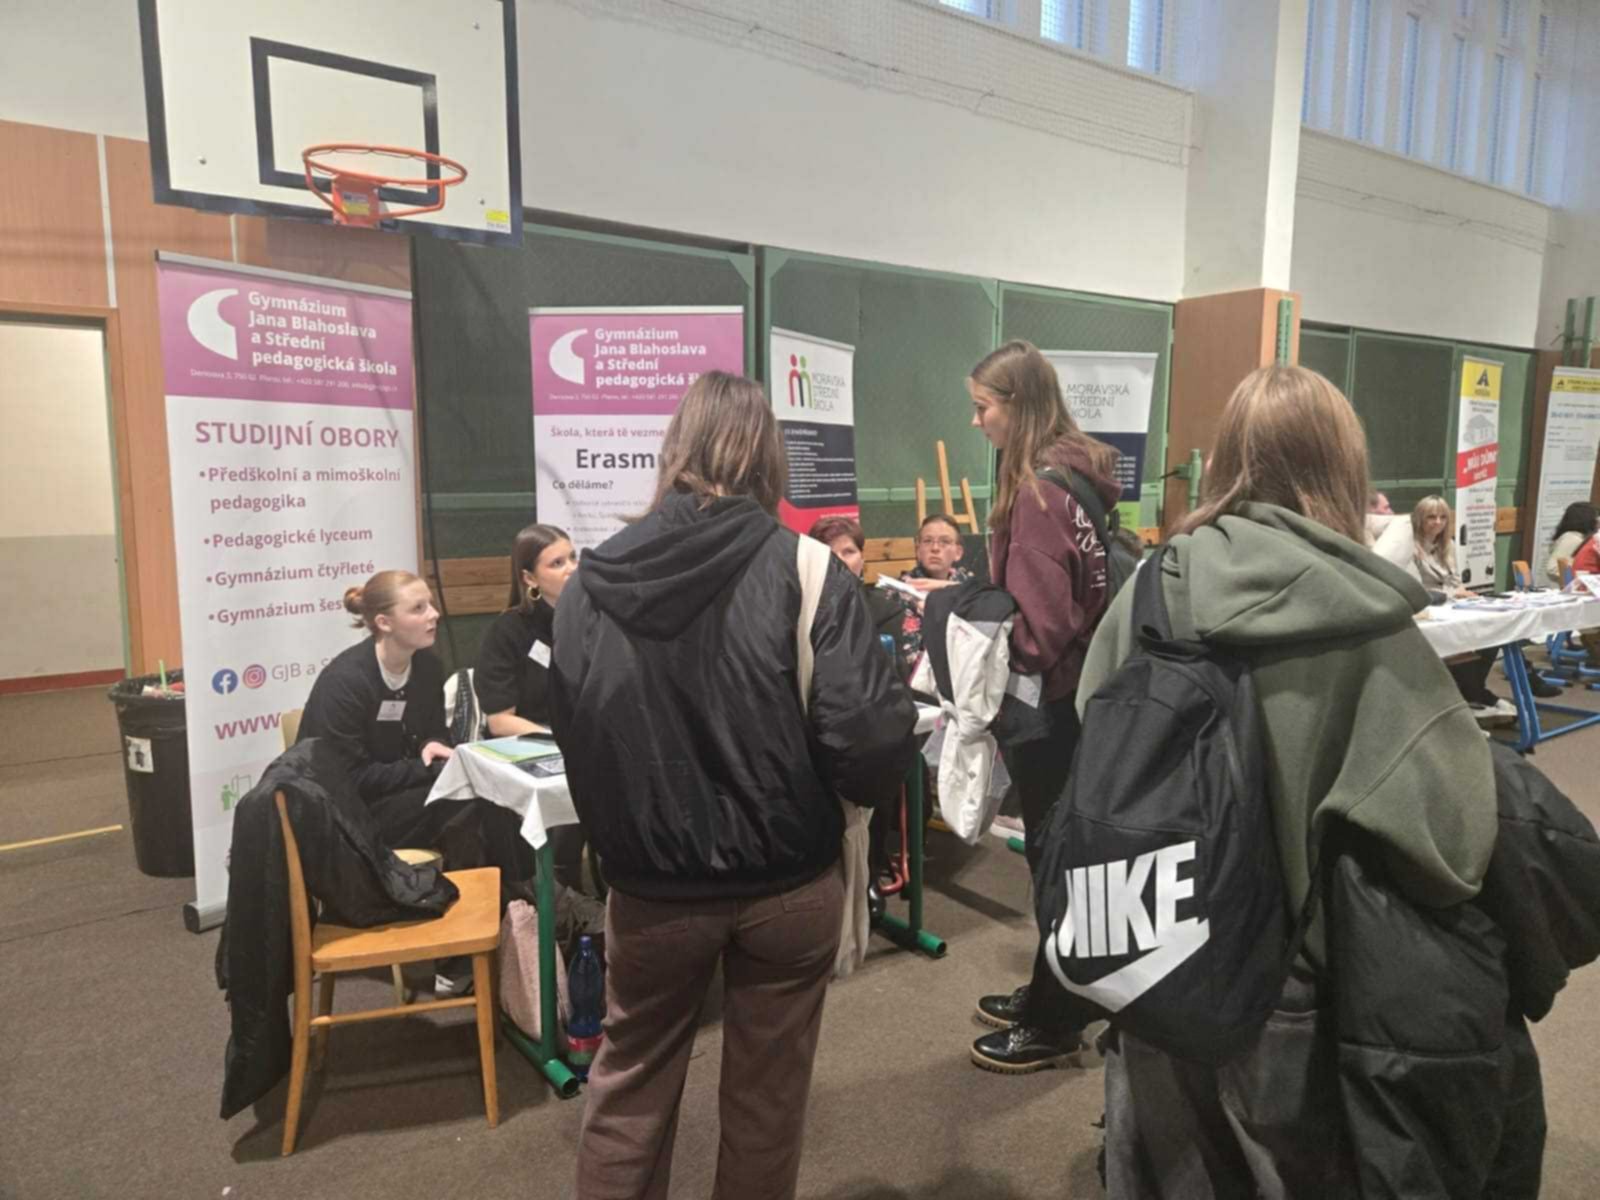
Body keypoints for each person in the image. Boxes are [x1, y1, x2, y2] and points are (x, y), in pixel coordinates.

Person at [1077, 365, 1498, 1196]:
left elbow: (1096, 723)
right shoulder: (1370, 625)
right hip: (1287, 977)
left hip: (1152, 948)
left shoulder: (1153, 586)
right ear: (1343, 468)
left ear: (1225, 459)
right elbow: (1453, 844)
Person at [551, 371, 916, 1200]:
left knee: (628, 1089)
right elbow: (870, 734)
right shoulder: (809, 568)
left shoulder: (592, 582)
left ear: (675, 449)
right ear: (768, 457)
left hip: (652, 889)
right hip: (788, 880)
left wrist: (624, 840)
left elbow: (575, 733)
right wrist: (829, 803)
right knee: (766, 1100)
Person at [964, 339, 1121, 1075]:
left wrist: (986, 641)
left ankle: (1056, 1022)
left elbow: (1042, 628)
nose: (977, 422)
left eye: (983, 407)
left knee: (1055, 864)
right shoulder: (1076, 477)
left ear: (1018, 406)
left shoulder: (1033, 493)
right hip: (1084, 695)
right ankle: (1054, 992)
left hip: (1049, 704)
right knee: (1065, 858)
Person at [297, 570, 454, 847]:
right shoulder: (345, 681)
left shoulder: (428, 667)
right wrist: (426, 769)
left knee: (476, 796)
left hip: (402, 795)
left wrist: (432, 744)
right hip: (345, 814)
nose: (434, 614)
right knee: (461, 803)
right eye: (418, 608)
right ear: (384, 622)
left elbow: (434, 731)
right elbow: (349, 777)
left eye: (430, 604)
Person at [474, 522, 588, 888]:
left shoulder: (592, 621)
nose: (571, 568)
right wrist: (560, 739)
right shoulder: (509, 631)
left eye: (572, 557)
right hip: (525, 751)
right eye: (557, 563)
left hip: (581, 745)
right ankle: (552, 895)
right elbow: (500, 722)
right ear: (529, 578)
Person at [1409, 495, 1528, 718]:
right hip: (1427, 608)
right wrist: (1452, 593)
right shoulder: (1410, 548)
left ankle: (1474, 691)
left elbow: (1455, 580)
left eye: (1443, 517)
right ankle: (1475, 694)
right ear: (1419, 519)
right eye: (1431, 517)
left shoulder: (1448, 545)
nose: (1437, 522)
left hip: (1452, 605)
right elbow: (1415, 588)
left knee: (1492, 634)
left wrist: (1462, 594)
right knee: (1461, 640)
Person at [807, 512, 908, 667]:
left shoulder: (886, 611)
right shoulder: (799, 611)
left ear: (862, 559)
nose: (839, 560)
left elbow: (891, 671)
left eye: (848, 552)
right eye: (829, 552)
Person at [897, 513, 976, 661]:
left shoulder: (970, 585)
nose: (935, 548)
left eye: (945, 541)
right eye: (927, 541)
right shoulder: (901, 591)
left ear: (958, 552)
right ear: (918, 550)